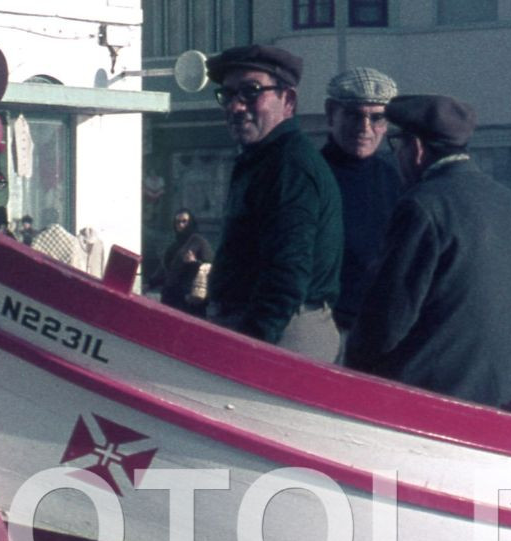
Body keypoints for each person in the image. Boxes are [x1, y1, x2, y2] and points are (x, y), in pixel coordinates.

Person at [344, 95, 511, 407]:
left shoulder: (424, 206)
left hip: (435, 400)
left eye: (397, 147)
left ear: (417, 149)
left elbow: (385, 322)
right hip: (510, 396)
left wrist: (351, 374)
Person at [204, 44, 343, 362]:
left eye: (251, 92)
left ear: (288, 100)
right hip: (266, 325)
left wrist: (249, 350)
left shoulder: (288, 166)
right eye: (228, 95)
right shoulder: (265, 159)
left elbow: (287, 272)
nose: (237, 106)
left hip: (284, 333)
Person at [319, 67, 403, 351]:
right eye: (354, 115)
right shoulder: (312, 175)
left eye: (376, 117)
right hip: (328, 324)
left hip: (379, 327)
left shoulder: (395, 177)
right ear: (331, 114)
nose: (364, 129)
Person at [149, 209, 213, 315]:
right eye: (178, 222)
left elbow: (210, 266)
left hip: (190, 297)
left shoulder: (198, 242)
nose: (181, 225)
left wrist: (194, 262)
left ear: (191, 222)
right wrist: (151, 283)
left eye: (184, 221)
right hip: (172, 296)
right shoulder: (174, 246)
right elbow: (165, 268)